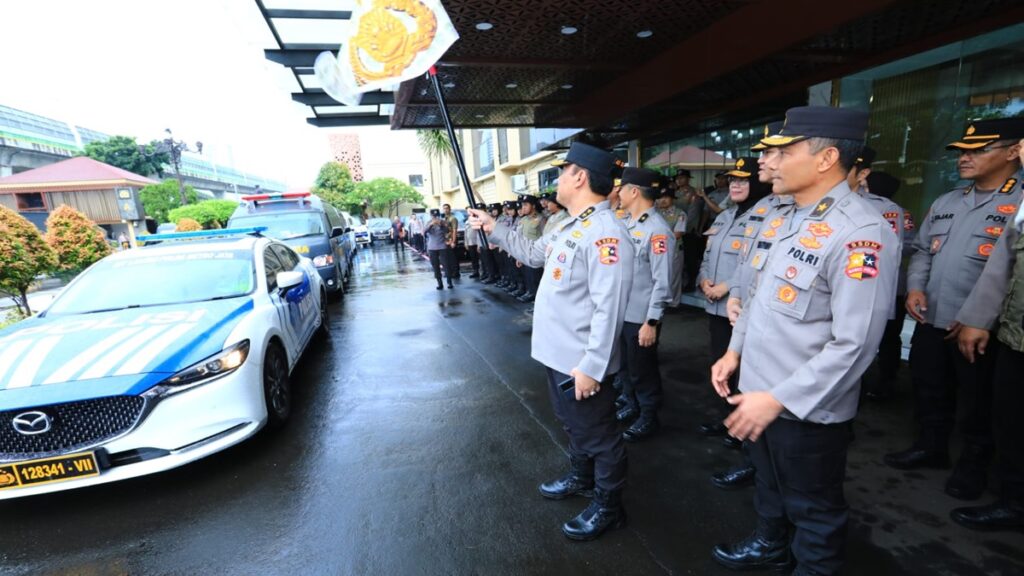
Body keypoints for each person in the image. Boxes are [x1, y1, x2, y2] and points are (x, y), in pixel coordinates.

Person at [710, 106, 897, 575]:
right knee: (770, 487)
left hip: (806, 409)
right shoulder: (793, 216)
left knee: (815, 513)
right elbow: (760, 297)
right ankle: (771, 544)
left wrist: (778, 398)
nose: (773, 161)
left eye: (787, 150)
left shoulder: (862, 233)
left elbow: (855, 344)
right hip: (760, 391)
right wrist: (735, 350)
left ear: (825, 158)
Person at [467, 142, 633, 541]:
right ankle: (581, 476)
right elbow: (531, 253)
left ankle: (610, 505)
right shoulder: (568, 226)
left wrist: (593, 367)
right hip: (557, 353)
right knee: (573, 425)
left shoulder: (607, 234)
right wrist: (493, 226)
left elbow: (609, 310)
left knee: (600, 435)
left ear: (579, 177)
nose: (556, 179)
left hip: (581, 362)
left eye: (561, 171)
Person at [885, 118, 1024, 502]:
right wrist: (914, 288)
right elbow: (923, 252)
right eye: (962, 150)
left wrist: (980, 318)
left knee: (980, 401)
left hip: (984, 329)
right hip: (933, 317)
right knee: (928, 387)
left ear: (1014, 151)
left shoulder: (1020, 203)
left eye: (978, 150)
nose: (964, 157)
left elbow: (1012, 273)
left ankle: (975, 465)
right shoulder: (947, 201)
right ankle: (931, 447)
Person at [953, 134, 1024, 532]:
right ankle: (1012, 500)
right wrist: (979, 318)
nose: (966, 158)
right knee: (1008, 419)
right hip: (1015, 335)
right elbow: (1003, 264)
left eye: (978, 150)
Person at [697, 157, 772, 481]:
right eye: (732, 180)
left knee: (746, 374)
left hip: (741, 309)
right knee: (721, 366)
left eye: (743, 180)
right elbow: (708, 256)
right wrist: (703, 282)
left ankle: (746, 433)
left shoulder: (769, 215)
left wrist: (728, 288)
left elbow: (753, 265)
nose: (735, 185)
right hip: (717, 307)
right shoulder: (726, 215)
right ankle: (730, 419)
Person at [614, 167, 675, 442]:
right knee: (626, 366)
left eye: (622, 188)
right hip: (622, 312)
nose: (618, 192)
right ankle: (632, 404)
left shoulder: (657, 231)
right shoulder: (626, 223)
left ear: (634, 191)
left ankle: (649, 416)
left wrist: (652, 321)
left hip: (641, 317)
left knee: (643, 371)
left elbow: (662, 283)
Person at [656, 187, 686, 305]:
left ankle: (673, 304)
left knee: (673, 277)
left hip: (674, 250)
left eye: (666, 197)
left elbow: (677, 234)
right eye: (660, 197)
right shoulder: (654, 212)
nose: (662, 200)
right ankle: (660, 301)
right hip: (657, 249)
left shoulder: (680, 213)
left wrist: (657, 239)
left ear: (672, 199)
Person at [515, 194, 545, 303]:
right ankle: (530, 292)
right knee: (527, 275)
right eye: (522, 205)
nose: (523, 208)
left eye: (526, 205)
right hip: (524, 253)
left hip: (536, 254)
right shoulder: (523, 220)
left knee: (536, 277)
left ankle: (537, 299)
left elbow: (545, 237)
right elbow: (520, 237)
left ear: (533, 206)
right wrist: (519, 256)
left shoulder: (541, 219)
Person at [425, 208, 453, 290]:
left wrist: (441, 224)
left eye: (436, 216)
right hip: (432, 248)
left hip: (442, 247)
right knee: (435, 266)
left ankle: (449, 282)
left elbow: (447, 231)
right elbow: (423, 232)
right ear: (431, 216)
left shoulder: (443, 222)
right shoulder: (428, 223)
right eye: (433, 216)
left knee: (446, 265)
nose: (435, 218)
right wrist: (430, 225)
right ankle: (439, 283)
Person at [464, 203, 484, 278]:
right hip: (470, 243)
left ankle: (483, 272)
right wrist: (466, 243)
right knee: (473, 258)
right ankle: (476, 271)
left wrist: (479, 244)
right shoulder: (467, 221)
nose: (469, 212)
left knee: (481, 258)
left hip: (477, 242)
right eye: (467, 211)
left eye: (470, 210)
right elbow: (466, 233)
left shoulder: (477, 219)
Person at [442, 203, 460, 279]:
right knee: (448, 257)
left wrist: (453, 241)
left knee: (453, 258)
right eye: (444, 208)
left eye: (447, 208)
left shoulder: (453, 218)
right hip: (446, 241)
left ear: (450, 209)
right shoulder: (444, 219)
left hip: (451, 240)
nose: (445, 210)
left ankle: (456, 273)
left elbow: (454, 230)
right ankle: (450, 272)